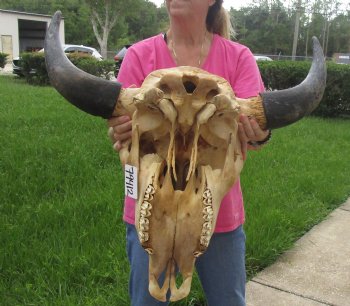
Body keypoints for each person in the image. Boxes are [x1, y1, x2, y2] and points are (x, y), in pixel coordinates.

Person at [108, 1, 270, 305]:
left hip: (218, 216)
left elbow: (255, 127)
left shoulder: (238, 57)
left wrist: (260, 134)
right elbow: (123, 126)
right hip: (148, 211)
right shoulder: (139, 55)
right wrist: (119, 130)